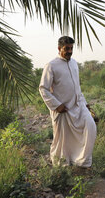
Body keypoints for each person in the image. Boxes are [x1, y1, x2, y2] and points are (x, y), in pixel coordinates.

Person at [39, 36, 97, 168]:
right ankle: (61, 165)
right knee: (62, 140)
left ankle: (83, 162)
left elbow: (77, 86)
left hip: (78, 105)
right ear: (59, 48)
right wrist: (57, 105)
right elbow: (43, 88)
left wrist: (84, 103)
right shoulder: (51, 65)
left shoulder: (74, 63)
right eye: (67, 49)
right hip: (62, 109)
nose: (70, 51)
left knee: (90, 126)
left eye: (71, 48)